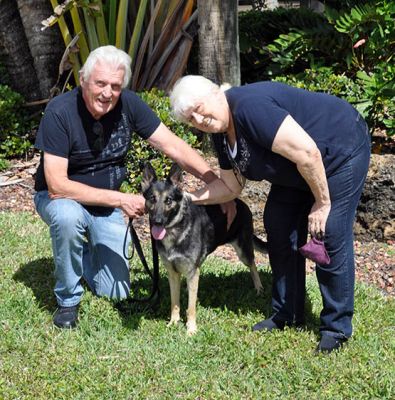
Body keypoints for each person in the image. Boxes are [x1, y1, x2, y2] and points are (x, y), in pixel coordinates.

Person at [34, 46, 234, 329]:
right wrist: (119, 199)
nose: (107, 93)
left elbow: (173, 146)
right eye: (100, 83)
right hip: (62, 199)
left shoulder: (129, 104)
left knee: (115, 292)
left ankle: (84, 253)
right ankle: (68, 300)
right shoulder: (60, 112)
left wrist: (217, 184)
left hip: (104, 207)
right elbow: (56, 185)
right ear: (83, 79)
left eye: (115, 86)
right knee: (68, 217)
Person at [169, 75, 371, 353]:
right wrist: (188, 198)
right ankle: (287, 313)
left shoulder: (250, 108)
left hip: (338, 149)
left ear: (216, 94)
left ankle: (336, 328)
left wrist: (323, 204)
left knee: (330, 232)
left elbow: (308, 153)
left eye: (199, 109)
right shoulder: (220, 134)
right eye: (191, 119)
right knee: (278, 222)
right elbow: (230, 186)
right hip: (299, 169)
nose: (199, 120)